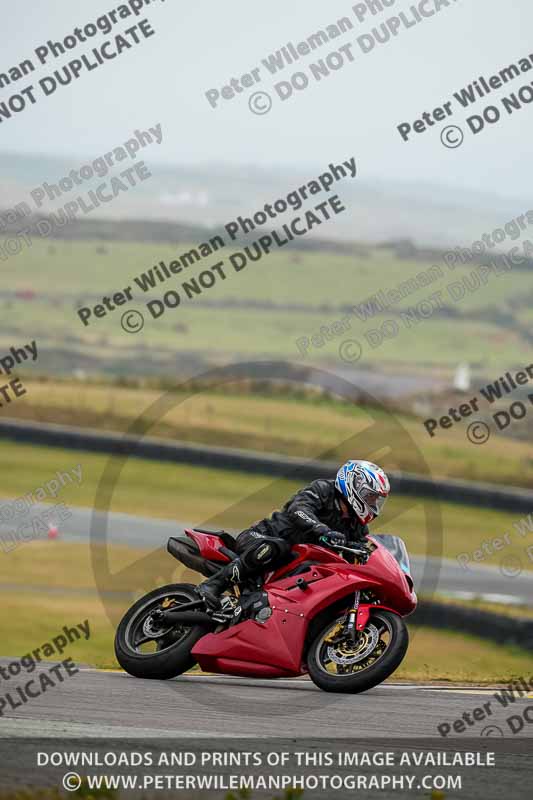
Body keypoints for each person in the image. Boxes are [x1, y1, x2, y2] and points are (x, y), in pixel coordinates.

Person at [196, 459, 390, 610]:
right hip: (260, 538)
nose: (373, 504)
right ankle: (212, 586)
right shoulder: (323, 489)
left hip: (295, 561)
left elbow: (362, 549)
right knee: (277, 547)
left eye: (376, 499)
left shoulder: (356, 525)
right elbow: (298, 509)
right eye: (370, 496)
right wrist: (323, 531)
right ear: (353, 484)